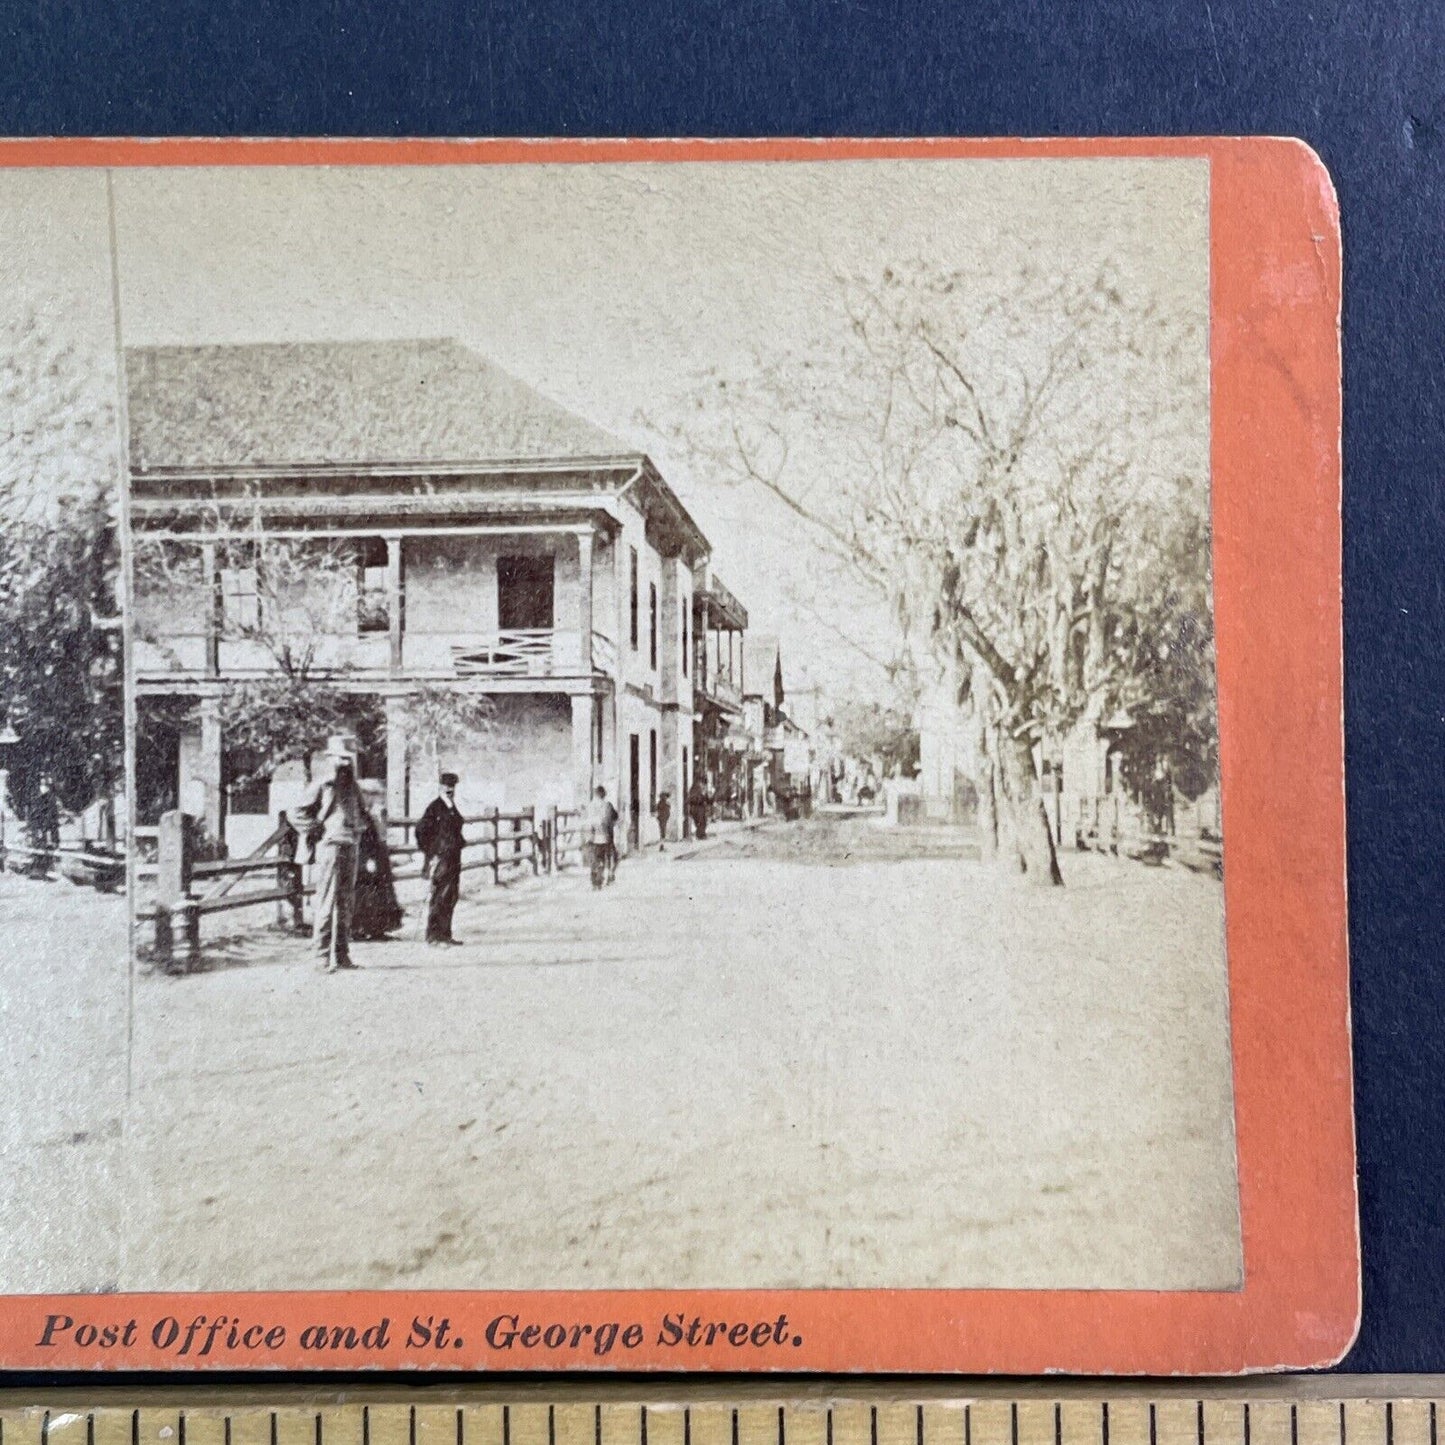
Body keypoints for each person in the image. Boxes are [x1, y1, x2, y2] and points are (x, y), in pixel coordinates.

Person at [294, 736, 372, 973]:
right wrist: (316, 828)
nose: (345, 763)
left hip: (350, 845)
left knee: (346, 903)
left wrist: (361, 829)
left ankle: (342, 954)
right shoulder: (322, 783)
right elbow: (296, 812)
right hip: (331, 847)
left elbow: (361, 812)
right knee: (327, 902)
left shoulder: (352, 785)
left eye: (349, 759)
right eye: (341, 758)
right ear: (331, 759)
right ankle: (321, 957)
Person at [416, 771, 466, 945]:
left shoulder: (452, 807)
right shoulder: (434, 807)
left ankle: (445, 934)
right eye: (446, 786)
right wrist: (432, 851)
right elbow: (421, 831)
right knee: (439, 895)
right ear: (440, 787)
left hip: (453, 858)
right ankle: (433, 936)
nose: (449, 789)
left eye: (452, 787)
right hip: (441, 858)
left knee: (451, 895)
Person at [352, 783, 403, 941]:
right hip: (365, 860)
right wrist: (368, 860)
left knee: (380, 893)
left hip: (377, 858)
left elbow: (379, 836)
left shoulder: (371, 815)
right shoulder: (358, 815)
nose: (374, 800)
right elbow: (362, 841)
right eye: (371, 796)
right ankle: (359, 928)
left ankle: (377, 928)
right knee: (364, 894)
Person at [583, 784, 613, 890]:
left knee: (593, 860)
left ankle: (594, 882)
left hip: (592, 837)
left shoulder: (590, 806)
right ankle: (599, 882)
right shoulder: (607, 806)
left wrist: (587, 836)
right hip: (603, 837)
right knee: (601, 860)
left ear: (596, 794)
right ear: (603, 794)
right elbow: (608, 822)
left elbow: (587, 822)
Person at [686, 776, 708, 841]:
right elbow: (695, 799)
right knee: (700, 821)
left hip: (698, 807)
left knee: (701, 821)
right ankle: (700, 835)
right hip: (697, 807)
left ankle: (701, 834)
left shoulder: (696, 788)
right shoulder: (696, 789)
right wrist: (703, 797)